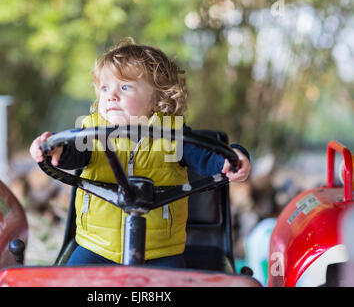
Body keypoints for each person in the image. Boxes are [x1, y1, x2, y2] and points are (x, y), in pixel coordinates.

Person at [30, 37, 251, 268]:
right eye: (105, 88)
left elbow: (210, 158)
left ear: (158, 98)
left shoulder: (173, 136)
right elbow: (72, 153)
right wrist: (56, 149)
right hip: (95, 246)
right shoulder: (92, 132)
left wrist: (233, 156)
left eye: (125, 87)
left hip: (160, 252)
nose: (111, 95)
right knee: (66, 281)